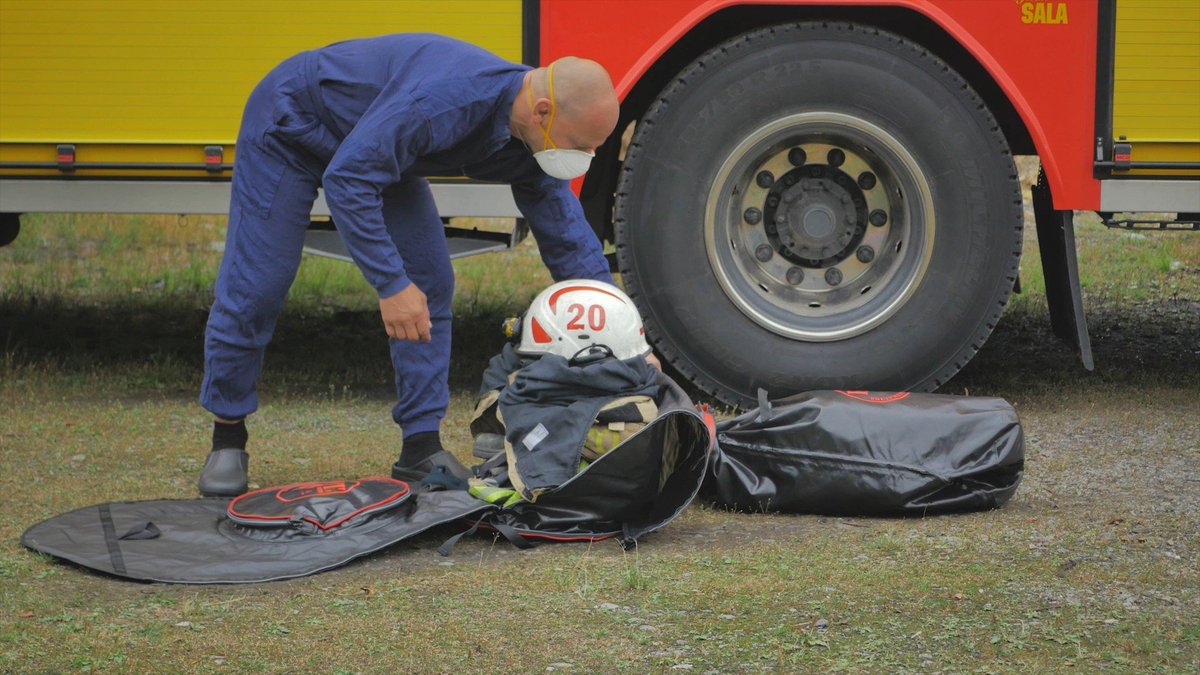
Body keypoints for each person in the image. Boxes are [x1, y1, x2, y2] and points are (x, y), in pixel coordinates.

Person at [198, 34, 620, 497]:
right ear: (543, 111)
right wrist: (390, 284)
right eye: (580, 145)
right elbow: (348, 179)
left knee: (430, 282)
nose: (583, 159)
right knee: (259, 284)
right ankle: (228, 436)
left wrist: (621, 331)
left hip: (377, 145)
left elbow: (568, 239)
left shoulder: (533, 138)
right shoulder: (444, 101)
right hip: (293, 124)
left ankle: (419, 450)